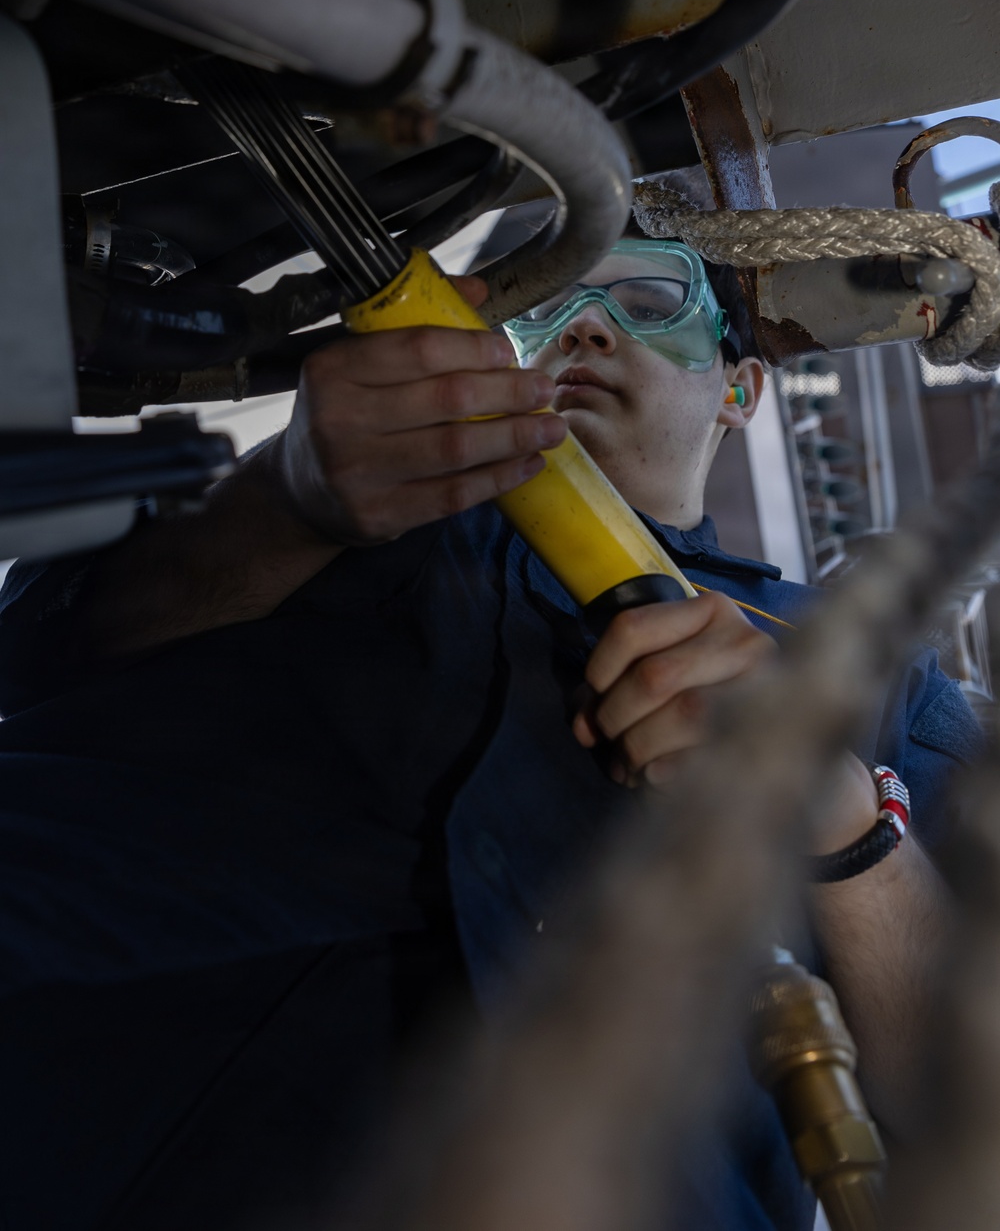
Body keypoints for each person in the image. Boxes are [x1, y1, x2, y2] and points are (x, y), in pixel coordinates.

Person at [0, 199, 982, 1231]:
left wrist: (840, 825)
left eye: (648, 300)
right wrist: (286, 502)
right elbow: (35, 658)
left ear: (737, 389)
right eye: (543, 303)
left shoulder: (875, 682)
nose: (584, 329)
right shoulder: (326, 507)